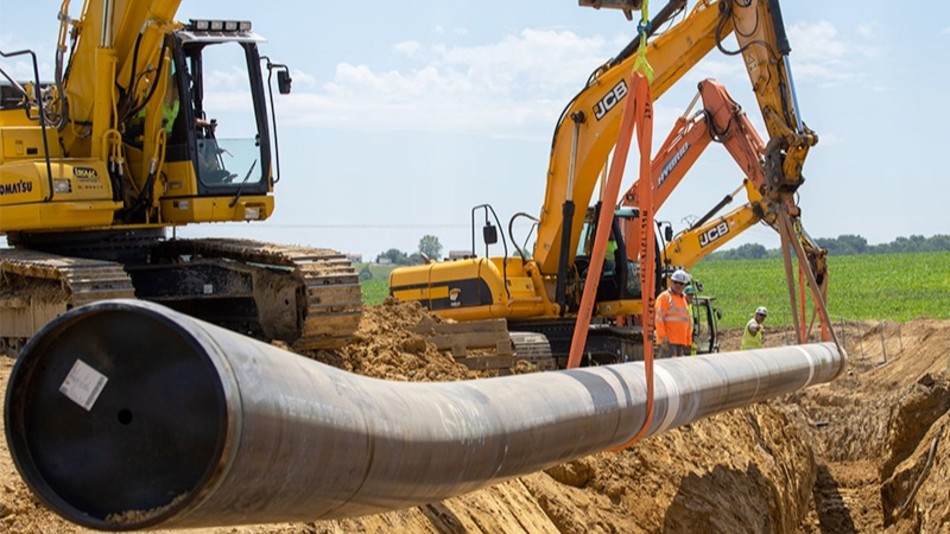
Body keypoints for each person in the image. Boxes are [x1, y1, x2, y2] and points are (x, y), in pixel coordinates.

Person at [655, 269, 693, 358]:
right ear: (671, 282)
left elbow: (687, 322)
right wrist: (663, 338)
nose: (678, 285)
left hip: (681, 342)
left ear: (684, 285)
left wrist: (688, 341)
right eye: (676, 282)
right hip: (669, 342)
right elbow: (659, 320)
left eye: (681, 283)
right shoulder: (664, 297)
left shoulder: (683, 299)